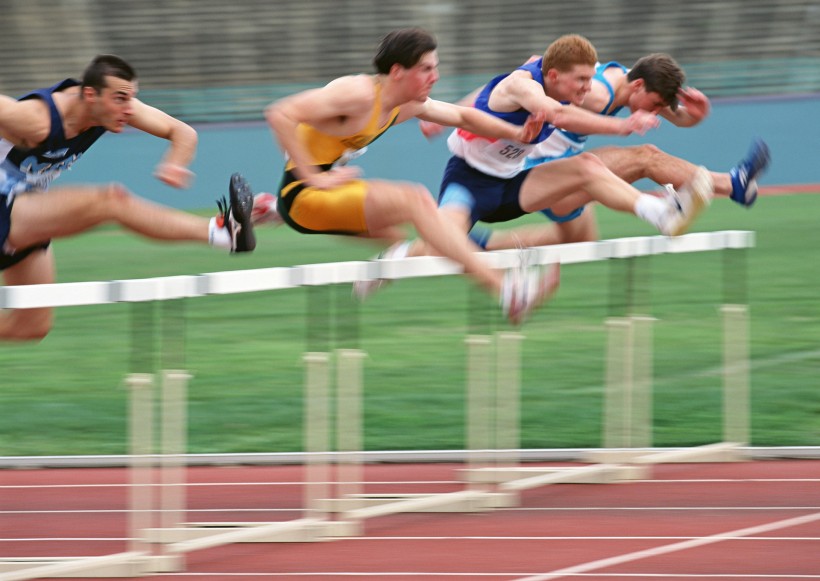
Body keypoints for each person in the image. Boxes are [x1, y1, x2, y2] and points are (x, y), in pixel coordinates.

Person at [348, 34, 713, 299]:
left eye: (592, 78)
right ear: (553, 76)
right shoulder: (524, 86)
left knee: (586, 166)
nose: (589, 90)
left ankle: (660, 213)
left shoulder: (562, 82)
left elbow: (650, 107)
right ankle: (391, 261)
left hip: (513, 185)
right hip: (469, 183)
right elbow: (555, 112)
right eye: (582, 81)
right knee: (442, 244)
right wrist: (622, 126)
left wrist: (688, 117)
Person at [264, 27, 582, 324]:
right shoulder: (357, 93)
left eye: (435, 67)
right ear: (398, 71)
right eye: (426, 69)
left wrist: (517, 133)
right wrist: (312, 177)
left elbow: (463, 116)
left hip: (318, 196)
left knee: (408, 225)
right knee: (416, 201)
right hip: (304, 197)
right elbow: (281, 113)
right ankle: (504, 289)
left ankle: (270, 210)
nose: (436, 76)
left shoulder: (405, 105)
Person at [0, 54, 256, 341]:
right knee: (110, 200)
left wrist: (175, 162)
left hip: (23, 211)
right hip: (9, 208)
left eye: (131, 98)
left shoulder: (110, 107)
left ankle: (226, 234)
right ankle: (223, 233)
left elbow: (182, 132)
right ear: (90, 94)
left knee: (31, 327)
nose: (128, 109)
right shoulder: (37, 119)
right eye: (120, 98)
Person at [417, 53, 771, 251]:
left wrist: (695, 118)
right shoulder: (598, 92)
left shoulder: (632, 84)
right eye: (656, 104)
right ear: (637, 86)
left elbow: (672, 115)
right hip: (545, 170)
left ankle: (482, 245)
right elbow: (511, 84)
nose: (655, 111)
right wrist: (621, 126)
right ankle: (730, 185)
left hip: (553, 174)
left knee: (582, 242)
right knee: (644, 156)